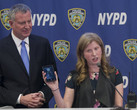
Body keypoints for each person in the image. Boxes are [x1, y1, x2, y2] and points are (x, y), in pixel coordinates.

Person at [42, 32, 123, 108]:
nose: (94, 54)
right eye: (89, 50)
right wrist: (55, 89)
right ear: (82, 54)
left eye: (96, 48)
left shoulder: (115, 73)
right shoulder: (74, 76)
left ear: (101, 49)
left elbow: (118, 107)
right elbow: (65, 108)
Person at [0, 3, 57, 108]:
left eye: (29, 21)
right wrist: (20, 99)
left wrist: (42, 95)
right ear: (11, 24)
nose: (27, 26)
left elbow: (52, 78)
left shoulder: (42, 44)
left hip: (40, 106)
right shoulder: (1, 48)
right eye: (22, 23)